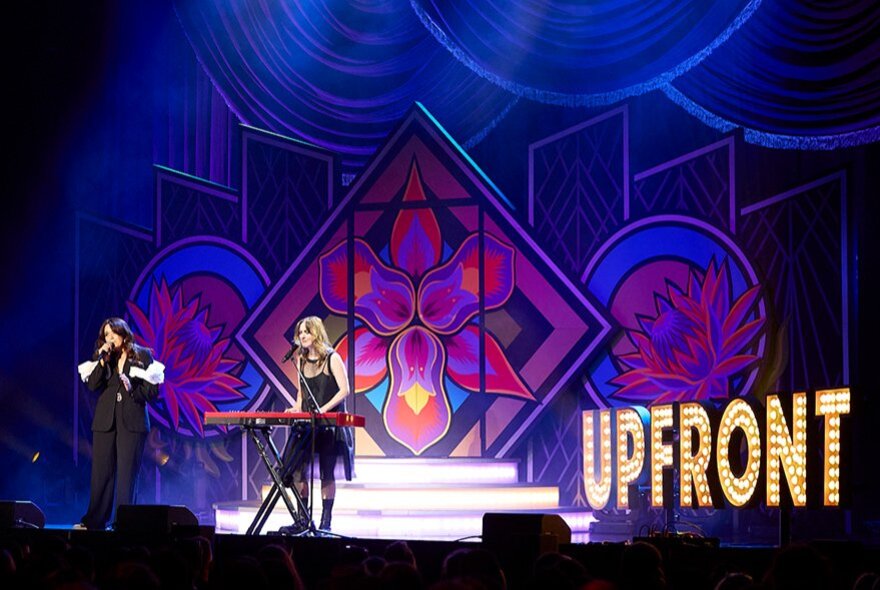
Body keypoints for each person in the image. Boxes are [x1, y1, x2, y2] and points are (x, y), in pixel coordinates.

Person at [75, 317, 163, 530]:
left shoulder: (142, 354)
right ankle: (95, 521)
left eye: (113, 333)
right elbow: (93, 384)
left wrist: (132, 389)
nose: (110, 338)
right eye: (106, 335)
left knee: (126, 474)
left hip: (132, 420)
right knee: (101, 473)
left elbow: (153, 391)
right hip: (106, 420)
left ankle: (123, 522)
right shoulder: (103, 356)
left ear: (123, 332)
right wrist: (102, 360)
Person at [284, 315, 353, 531]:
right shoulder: (301, 361)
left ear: (316, 333)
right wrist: (296, 408)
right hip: (307, 426)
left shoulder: (332, 358)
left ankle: (326, 520)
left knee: (326, 472)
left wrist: (324, 409)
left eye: (306, 331)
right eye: (300, 332)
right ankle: (303, 518)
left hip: (328, 426)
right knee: (297, 471)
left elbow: (345, 390)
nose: (302, 336)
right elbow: (301, 394)